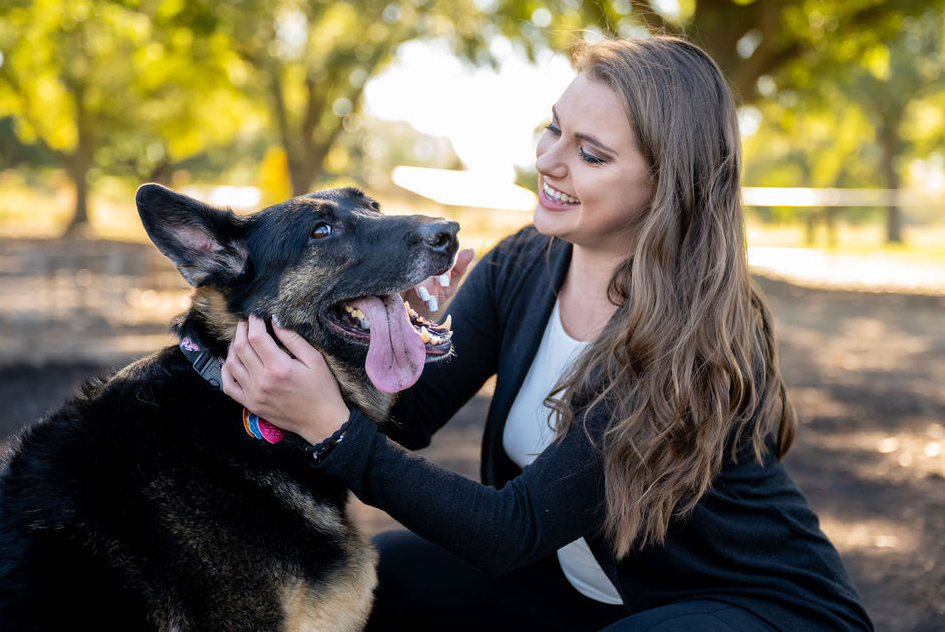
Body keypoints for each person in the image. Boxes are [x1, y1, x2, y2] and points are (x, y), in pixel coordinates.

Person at [220, 36, 873, 631]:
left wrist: (334, 431)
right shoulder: (523, 263)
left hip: (759, 608)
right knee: (388, 577)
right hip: (585, 596)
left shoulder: (689, 336)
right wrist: (382, 330)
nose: (547, 160)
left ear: (665, 185)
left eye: (590, 154)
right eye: (554, 128)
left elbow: (511, 530)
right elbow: (408, 415)